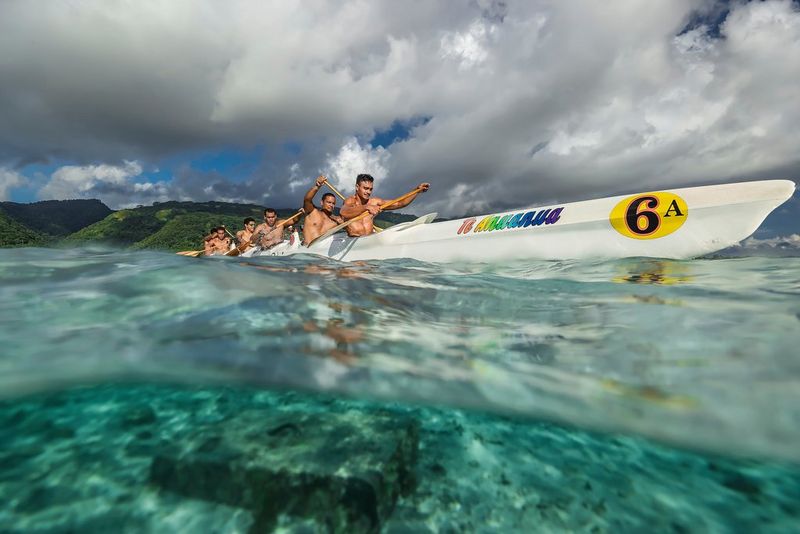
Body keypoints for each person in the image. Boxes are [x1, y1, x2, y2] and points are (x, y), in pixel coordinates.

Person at [339, 174, 429, 237]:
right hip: (354, 242)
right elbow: (344, 212)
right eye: (365, 188)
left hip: (370, 240)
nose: (368, 192)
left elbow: (400, 203)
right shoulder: (350, 201)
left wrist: (416, 190)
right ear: (357, 187)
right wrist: (366, 207)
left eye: (370, 189)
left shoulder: (374, 202)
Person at [302, 175, 344, 245]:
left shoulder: (335, 222)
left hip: (321, 252)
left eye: (333, 203)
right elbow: (307, 199)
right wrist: (317, 186)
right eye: (329, 202)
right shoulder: (312, 212)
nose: (331, 205)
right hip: (307, 250)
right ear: (321, 202)